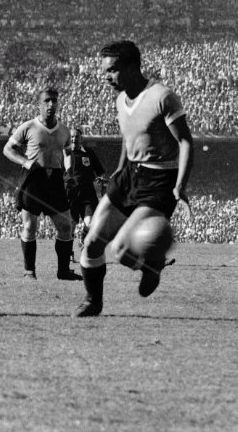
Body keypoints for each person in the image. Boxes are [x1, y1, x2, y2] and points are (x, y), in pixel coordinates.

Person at [74, 40, 193, 318]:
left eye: (112, 70)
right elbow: (130, 140)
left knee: (122, 251)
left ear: (131, 67)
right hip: (129, 176)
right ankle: (93, 301)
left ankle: (152, 263)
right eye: (104, 71)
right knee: (92, 242)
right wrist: (118, 171)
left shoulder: (162, 96)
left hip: (159, 180)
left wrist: (180, 186)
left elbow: (186, 141)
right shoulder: (120, 99)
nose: (106, 77)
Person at [3, 88, 81, 280]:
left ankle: (63, 271)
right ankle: (29, 272)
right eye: (46, 101)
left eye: (54, 101)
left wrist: (69, 172)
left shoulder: (63, 130)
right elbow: (8, 149)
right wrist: (25, 161)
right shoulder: (29, 126)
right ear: (39, 105)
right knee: (30, 226)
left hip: (55, 180)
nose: (51, 105)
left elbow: (69, 152)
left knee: (65, 226)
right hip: (33, 178)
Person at [63, 128, 106, 260]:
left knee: (91, 223)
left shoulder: (89, 153)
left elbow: (100, 171)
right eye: (72, 137)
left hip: (88, 195)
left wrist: (101, 179)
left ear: (81, 139)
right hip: (71, 196)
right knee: (71, 226)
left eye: (77, 137)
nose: (74, 139)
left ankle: (83, 238)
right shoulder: (65, 153)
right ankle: (69, 252)